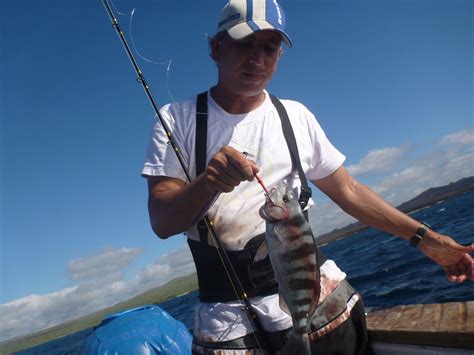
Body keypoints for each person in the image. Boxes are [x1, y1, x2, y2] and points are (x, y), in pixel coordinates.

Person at [142, 1, 474, 354]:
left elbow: (348, 191)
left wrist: (426, 238)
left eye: (269, 47)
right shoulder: (178, 119)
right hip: (229, 324)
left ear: (280, 55)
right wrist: (208, 182)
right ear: (215, 48)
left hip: (323, 304)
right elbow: (163, 221)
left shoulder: (295, 116)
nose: (257, 59)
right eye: (243, 43)